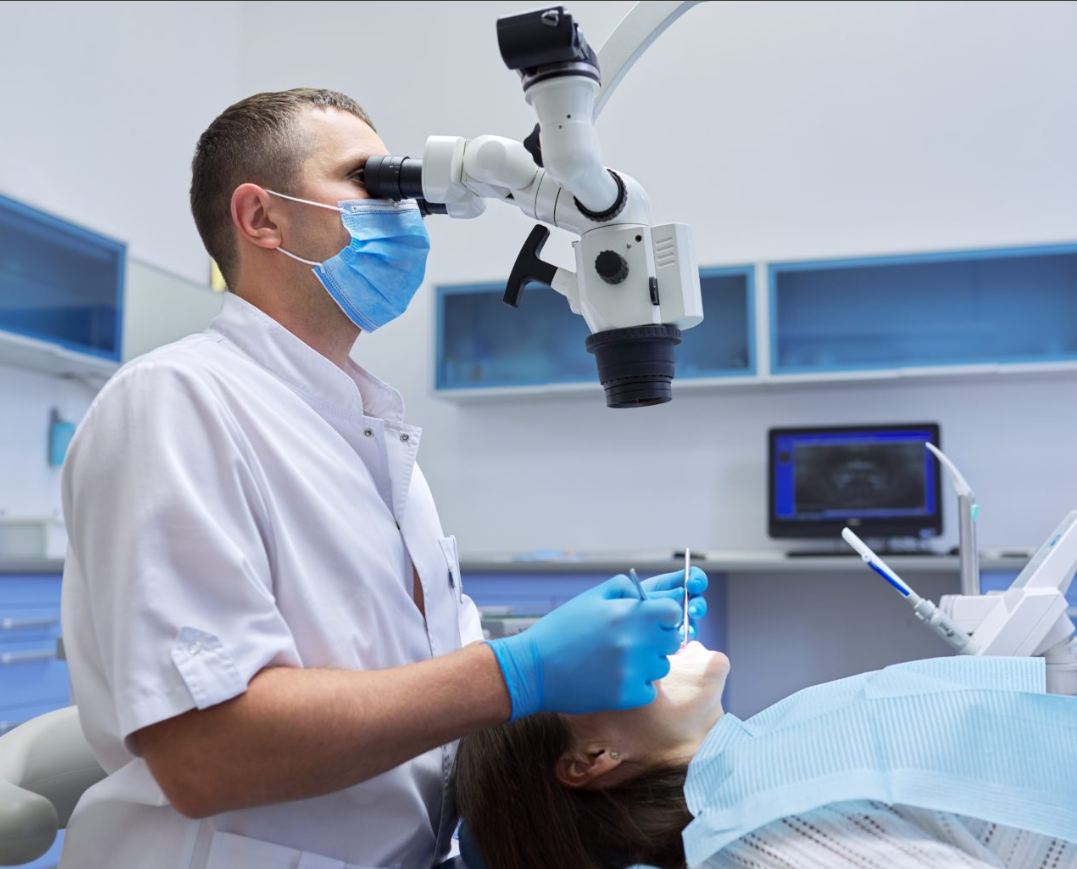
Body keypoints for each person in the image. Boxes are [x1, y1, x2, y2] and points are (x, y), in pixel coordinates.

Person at [58, 87, 708, 869]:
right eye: (371, 182)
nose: (403, 211)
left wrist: (570, 654)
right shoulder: (177, 401)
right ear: (262, 218)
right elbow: (208, 754)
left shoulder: (364, 427)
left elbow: (409, 678)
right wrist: (521, 670)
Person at [455, 644, 1077, 869]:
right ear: (592, 756)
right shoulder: (767, 842)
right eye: (590, 657)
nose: (628, 630)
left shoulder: (758, 767)